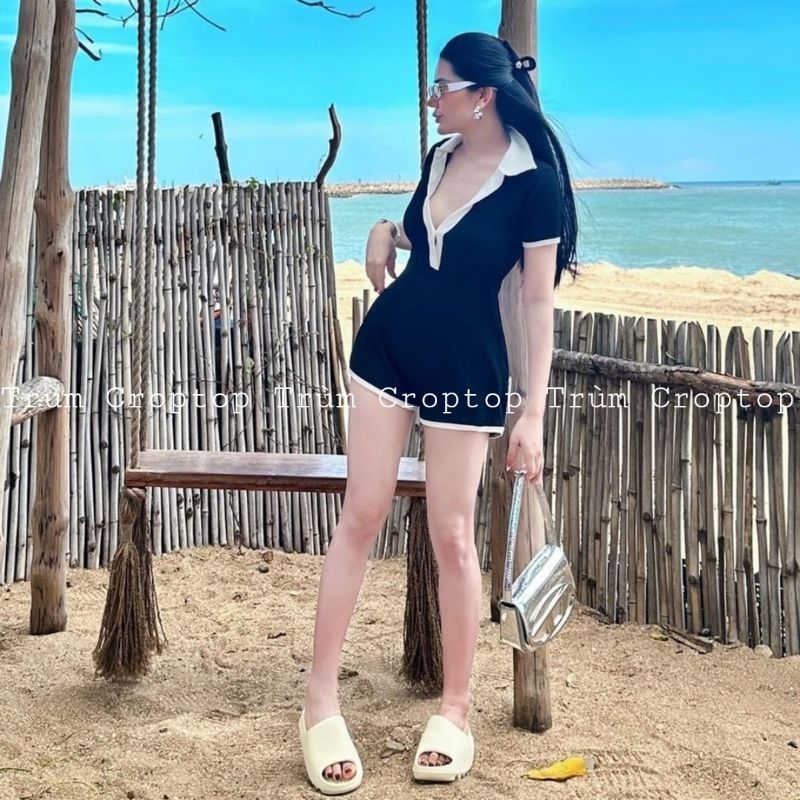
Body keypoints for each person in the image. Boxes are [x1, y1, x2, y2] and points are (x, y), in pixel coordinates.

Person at [298, 31, 578, 795]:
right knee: (361, 515)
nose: (432, 99)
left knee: (451, 534)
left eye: (442, 86)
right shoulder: (439, 158)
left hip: (467, 369)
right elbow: (427, 243)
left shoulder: (534, 185)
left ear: (482, 95)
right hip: (389, 347)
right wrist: (384, 230)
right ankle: (319, 699)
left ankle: (455, 709)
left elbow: (536, 304)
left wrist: (532, 414)